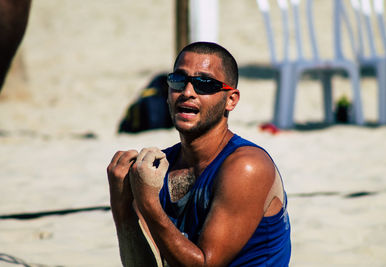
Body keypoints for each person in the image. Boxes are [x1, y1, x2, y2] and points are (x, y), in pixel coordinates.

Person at [107, 41, 291, 266]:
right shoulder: (163, 167)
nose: (187, 92)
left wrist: (148, 204)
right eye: (178, 80)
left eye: (204, 84)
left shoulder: (246, 166)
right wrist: (122, 205)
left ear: (231, 100)